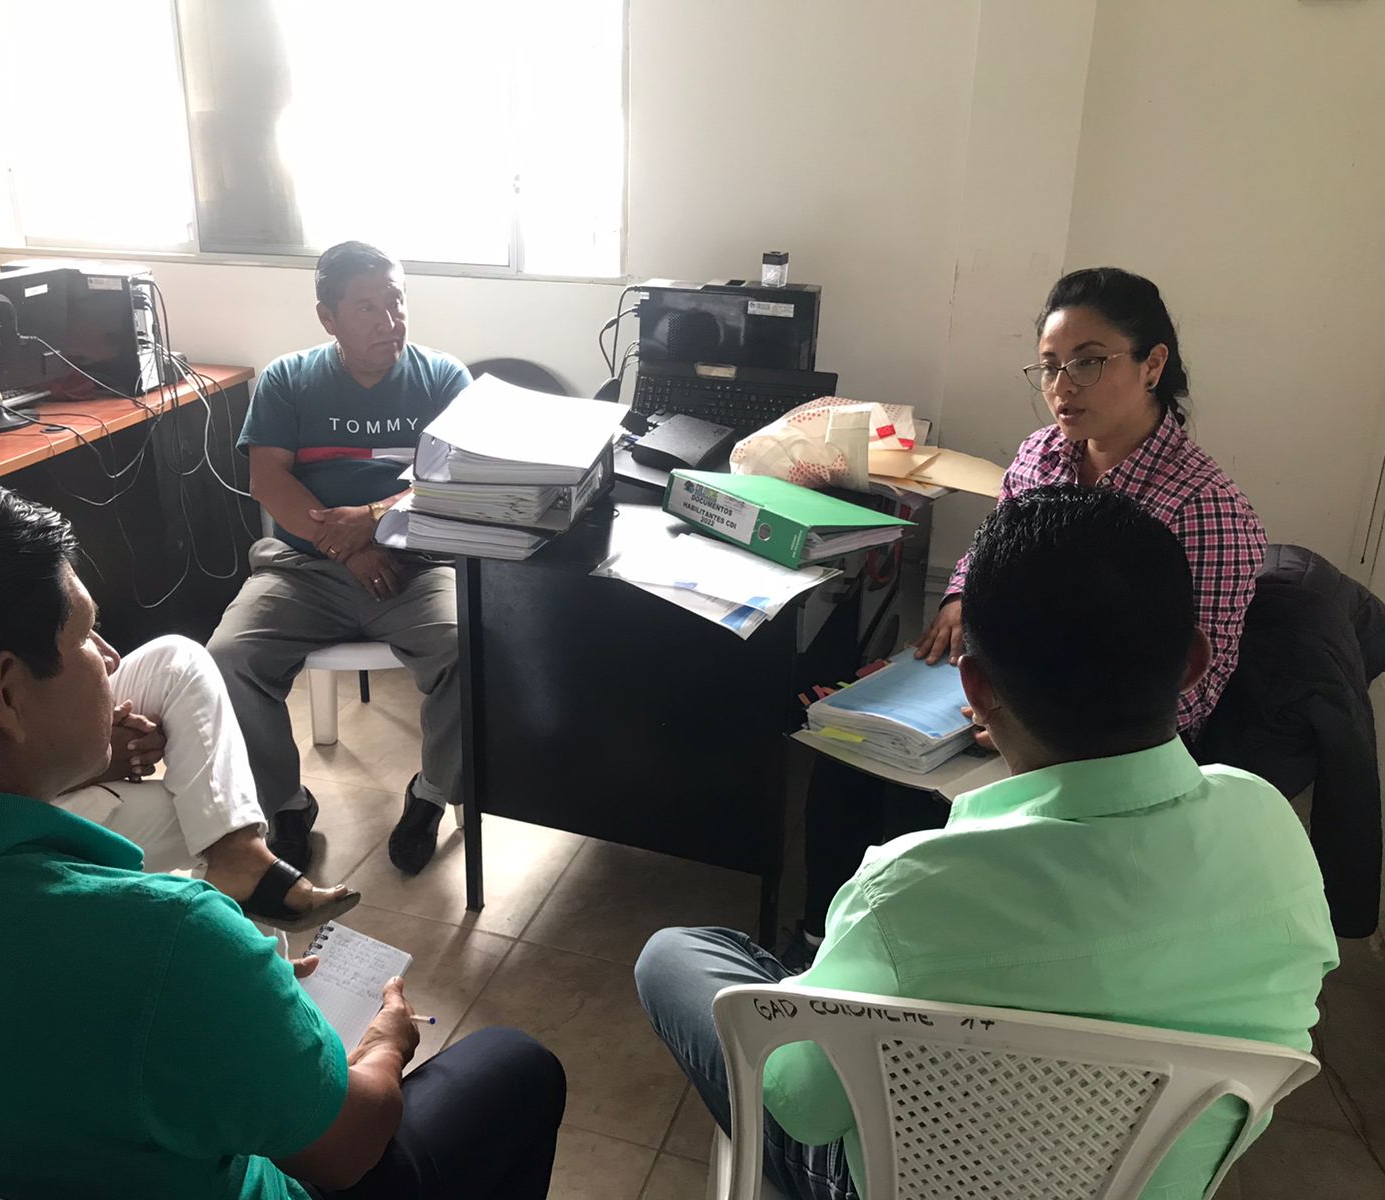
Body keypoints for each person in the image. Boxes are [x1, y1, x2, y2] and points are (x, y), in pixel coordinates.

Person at [0, 480, 566, 1199]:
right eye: (87, 636)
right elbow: (347, 1148)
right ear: (8, 693)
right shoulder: (170, 940)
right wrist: (385, 1044)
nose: (110, 659)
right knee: (516, 1068)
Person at [636, 485, 1335, 1200]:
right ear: (1192, 663)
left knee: (677, 957)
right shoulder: (1274, 830)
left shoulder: (910, 892)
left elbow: (804, 1108)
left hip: (907, 1181)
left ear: (976, 687)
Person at [793, 267, 1269, 963]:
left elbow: (1198, 685)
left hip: (1100, 739)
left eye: (1088, 362)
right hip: (1003, 693)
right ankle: (819, 951)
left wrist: (1040, 723)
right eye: (1049, 367)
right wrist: (960, 596)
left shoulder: (1205, 509)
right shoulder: (1042, 453)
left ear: (1152, 365)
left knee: (913, 803)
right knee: (854, 758)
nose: (1063, 386)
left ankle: (904, 968)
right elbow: (990, 550)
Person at [0, 366, 351, 933]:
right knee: (207, 810)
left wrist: (64, 650)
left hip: (21, 732)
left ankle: (242, 867)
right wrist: (96, 754)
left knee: (178, 662)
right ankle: (235, 924)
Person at [208, 242, 471, 876]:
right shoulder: (289, 379)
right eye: (367, 307)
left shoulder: (443, 377)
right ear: (328, 318)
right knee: (230, 657)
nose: (389, 320)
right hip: (304, 568)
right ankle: (287, 805)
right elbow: (268, 481)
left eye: (396, 301)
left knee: (467, 646)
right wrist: (348, 551)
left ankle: (432, 794)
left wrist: (374, 522)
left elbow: (455, 479)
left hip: (417, 564)